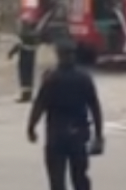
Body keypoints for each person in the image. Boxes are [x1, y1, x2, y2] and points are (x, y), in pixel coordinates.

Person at [27, 38, 105, 190]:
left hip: (56, 135)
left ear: (58, 55)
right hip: (78, 135)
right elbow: (95, 107)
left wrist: (31, 127)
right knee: (80, 178)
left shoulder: (51, 79)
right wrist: (99, 135)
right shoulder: (84, 78)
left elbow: (39, 105)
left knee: (57, 181)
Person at [8, 16, 40, 103]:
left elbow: (18, 45)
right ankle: (29, 94)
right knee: (29, 75)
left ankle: (25, 95)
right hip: (31, 56)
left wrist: (11, 53)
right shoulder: (35, 33)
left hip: (24, 56)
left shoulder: (24, 33)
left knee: (24, 75)